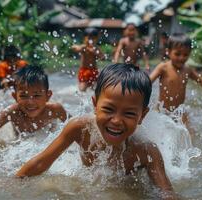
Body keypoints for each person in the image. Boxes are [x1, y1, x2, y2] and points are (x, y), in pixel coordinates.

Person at [16, 63, 176, 199]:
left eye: (129, 113)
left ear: (142, 115)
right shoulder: (80, 128)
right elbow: (41, 162)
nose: (116, 121)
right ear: (95, 105)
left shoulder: (146, 150)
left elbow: (166, 192)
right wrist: (14, 182)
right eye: (108, 109)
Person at [150, 33, 202, 131]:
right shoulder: (163, 67)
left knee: (189, 133)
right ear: (168, 52)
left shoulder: (187, 70)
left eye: (185, 54)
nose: (182, 57)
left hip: (179, 111)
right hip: (163, 110)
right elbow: (148, 81)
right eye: (177, 54)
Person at [0, 65, 67, 150]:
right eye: (24, 96)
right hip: (21, 143)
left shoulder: (55, 110)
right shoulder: (11, 112)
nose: (30, 102)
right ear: (15, 97)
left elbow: (74, 126)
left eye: (37, 96)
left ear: (48, 96)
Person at [71, 27, 105, 92]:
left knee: (94, 89)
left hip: (93, 71)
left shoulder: (96, 48)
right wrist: (79, 48)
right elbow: (74, 48)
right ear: (84, 39)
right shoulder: (84, 47)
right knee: (82, 89)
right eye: (89, 38)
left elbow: (103, 58)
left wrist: (95, 53)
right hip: (84, 71)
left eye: (93, 38)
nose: (91, 40)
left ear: (97, 39)